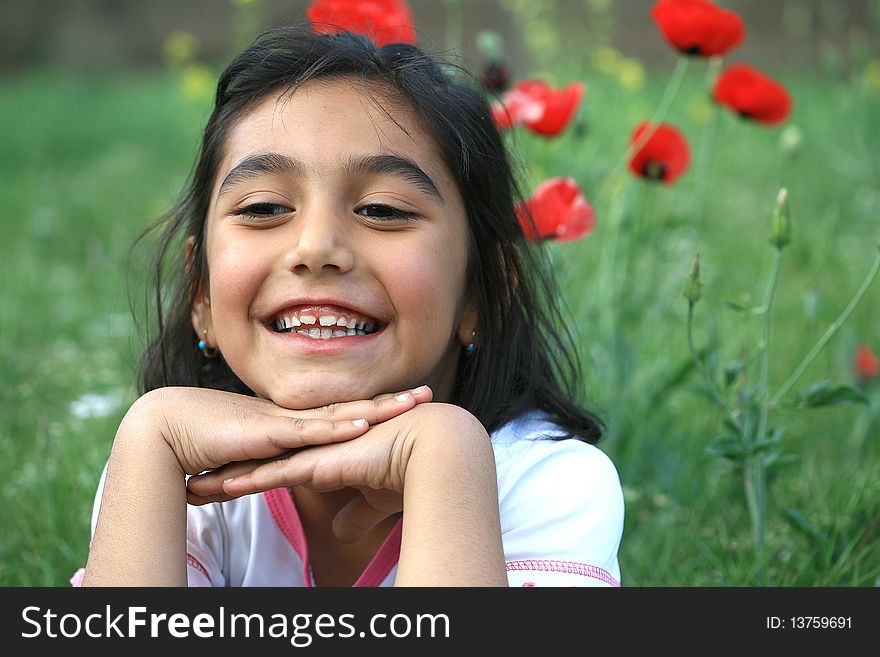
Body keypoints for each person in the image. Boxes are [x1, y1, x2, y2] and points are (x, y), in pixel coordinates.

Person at [75, 23, 624, 587]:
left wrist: (444, 456)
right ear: (202, 295)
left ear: (480, 293)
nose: (316, 248)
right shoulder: (172, 475)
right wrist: (150, 431)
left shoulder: (550, 486)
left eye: (384, 210)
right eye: (263, 207)